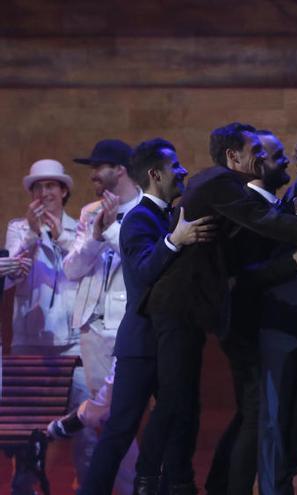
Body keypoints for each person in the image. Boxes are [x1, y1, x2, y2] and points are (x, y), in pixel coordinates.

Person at [136, 123, 297, 494]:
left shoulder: (229, 189)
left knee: (195, 405)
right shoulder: (218, 182)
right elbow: (267, 223)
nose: (263, 158)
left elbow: (261, 222)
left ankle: (183, 483)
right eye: (256, 152)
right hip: (179, 305)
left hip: (197, 309)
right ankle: (152, 482)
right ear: (233, 157)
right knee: (175, 403)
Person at [78, 137, 214, 495]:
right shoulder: (140, 218)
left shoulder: (167, 214)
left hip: (170, 340)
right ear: (155, 174)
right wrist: (175, 240)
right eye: (176, 166)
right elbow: (140, 270)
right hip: (142, 343)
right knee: (121, 427)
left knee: (177, 418)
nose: (183, 171)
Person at [62, 139, 141, 491]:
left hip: (128, 326)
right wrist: (95, 232)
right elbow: (73, 268)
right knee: (103, 421)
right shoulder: (90, 211)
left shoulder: (145, 209)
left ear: (120, 170)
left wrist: (108, 230)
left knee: (120, 417)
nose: (93, 175)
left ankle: (129, 486)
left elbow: (135, 254)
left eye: (99, 167)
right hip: (92, 328)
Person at [6, 159, 75, 355]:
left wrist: (62, 237)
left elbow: (83, 267)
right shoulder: (18, 228)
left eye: (50, 186)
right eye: (38, 188)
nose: (44, 193)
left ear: (63, 191)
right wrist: (31, 233)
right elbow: (8, 276)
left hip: (71, 336)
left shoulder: (79, 229)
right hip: (28, 334)